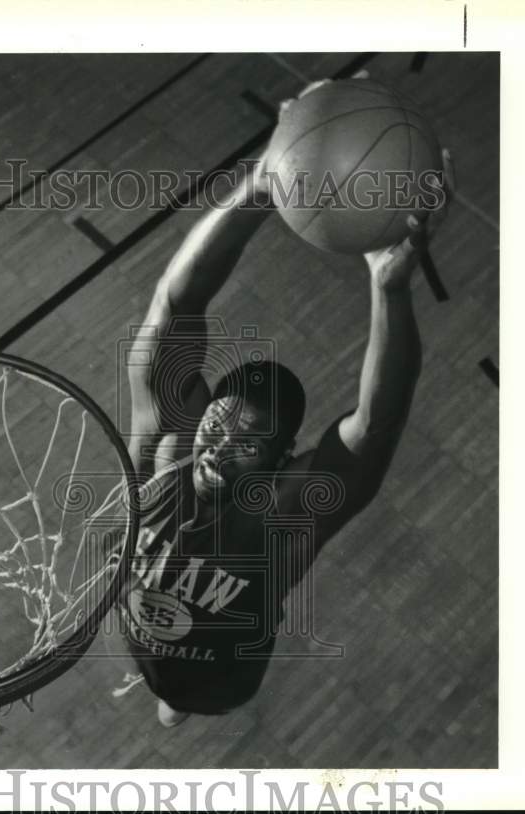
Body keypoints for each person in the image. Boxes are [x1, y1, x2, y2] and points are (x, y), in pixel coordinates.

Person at [118, 76, 453, 727]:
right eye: (218, 424)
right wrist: (262, 184)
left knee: (181, 701)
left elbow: (377, 424)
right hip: (140, 618)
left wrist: (390, 290)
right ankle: (162, 686)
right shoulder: (163, 447)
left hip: (224, 670)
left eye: (248, 442)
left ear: (280, 461)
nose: (220, 444)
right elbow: (176, 304)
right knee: (153, 665)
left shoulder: (286, 520)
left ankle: (174, 698)